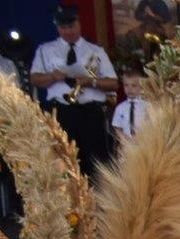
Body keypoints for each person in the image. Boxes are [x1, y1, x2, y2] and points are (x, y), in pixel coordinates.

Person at [30, 5, 117, 177]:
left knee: (95, 162)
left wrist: (90, 81)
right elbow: (35, 79)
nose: (68, 31)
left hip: (89, 111)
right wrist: (53, 76)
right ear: (57, 27)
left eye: (71, 26)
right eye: (63, 28)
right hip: (61, 111)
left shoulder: (95, 51)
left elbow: (113, 83)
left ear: (79, 24)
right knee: (64, 160)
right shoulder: (45, 50)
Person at [111, 69, 149, 140]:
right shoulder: (120, 108)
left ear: (141, 87)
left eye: (134, 86)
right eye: (126, 85)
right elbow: (117, 127)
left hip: (144, 141)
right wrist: (124, 140)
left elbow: (152, 125)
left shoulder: (147, 106)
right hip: (126, 142)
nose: (129, 89)